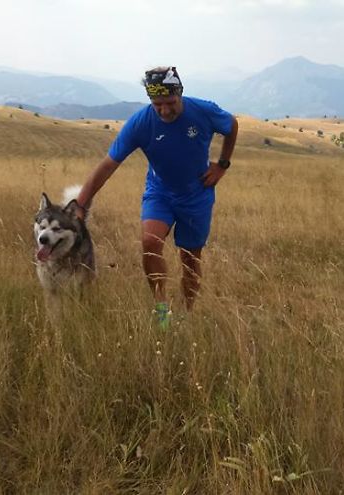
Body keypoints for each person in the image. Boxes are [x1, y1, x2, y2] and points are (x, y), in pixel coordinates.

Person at [74, 66, 238, 329]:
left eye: (170, 103)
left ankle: (186, 314)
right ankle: (162, 310)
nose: (164, 110)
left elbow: (231, 126)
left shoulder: (203, 111)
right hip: (160, 193)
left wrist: (222, 164)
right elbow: (108, 165)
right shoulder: (141, 123)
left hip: (197, 195)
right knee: (150, 242)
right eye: (157, 104)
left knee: (191, 260)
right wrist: (81, 204)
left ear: (180, 93)